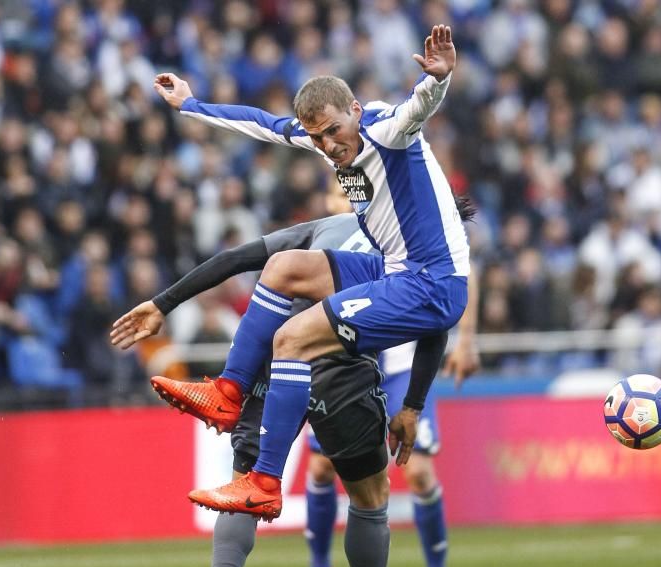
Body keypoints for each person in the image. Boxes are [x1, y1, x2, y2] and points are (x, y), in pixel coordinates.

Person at [146, 24, 469, 520]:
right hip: (395, 269)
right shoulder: (323, 136)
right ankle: (229, 394)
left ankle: (265, 482)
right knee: (285, 268)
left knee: (293, 338)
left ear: (354, 112)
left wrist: (440, 79)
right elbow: (261, 123)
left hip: (428, 282)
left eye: (334, 131)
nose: (328, 146)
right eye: (316, 137)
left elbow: (418, 106)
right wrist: (191, 105)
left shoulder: (387, 130)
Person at [112, 215, 445, 567]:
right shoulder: (421, 243)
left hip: (269, 347)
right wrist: (411, 404)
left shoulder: (330, 226)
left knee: (245, 481)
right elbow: (436, 318)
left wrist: (164, 302)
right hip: (341, 361)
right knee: (370, 496)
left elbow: (237, 258)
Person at [276, 184, 479, 567]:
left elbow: (459, 270)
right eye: (332, 196)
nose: (340, 202)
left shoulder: (396, 220)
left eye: (343, 195)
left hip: (402, 363)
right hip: (347, 362)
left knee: (419, 471)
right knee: (320, 463)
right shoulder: (331, 235)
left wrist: (467, 339)